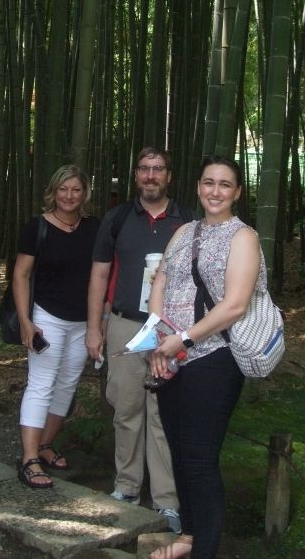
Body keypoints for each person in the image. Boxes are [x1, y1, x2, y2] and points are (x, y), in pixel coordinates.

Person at [147, 156, 264, 559]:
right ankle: (188, 538)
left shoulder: (243, 237)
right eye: (209, 183)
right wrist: (159, 342)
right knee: (179, 452)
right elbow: (160, 279)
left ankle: (204, 551)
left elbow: (234, 305)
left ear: (237, 193)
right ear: (198, 187)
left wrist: (181, 340)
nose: (215, 191)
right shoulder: (182, 232)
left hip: (215, 358)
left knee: (199, 458)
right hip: (172, 355)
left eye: (225, 185)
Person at [86, 147, 193, 533]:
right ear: (136, 176)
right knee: (127, 409)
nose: (151, 176)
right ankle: (127, 487)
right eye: (144, 169)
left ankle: (166, 501)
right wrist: (93, 327)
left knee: (163, 415)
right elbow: (99, 275)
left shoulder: (188, 221)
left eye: (158, 169)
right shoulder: (117, 218)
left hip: (169, 330)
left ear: (169, 175)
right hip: (124, 324)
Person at [13, 164, 100, 489]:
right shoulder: (37, 227)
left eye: (76, 189)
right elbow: (20, 275)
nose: (69, 196)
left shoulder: (95, 228)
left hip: (83, 321)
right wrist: (26, 322)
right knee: (42, 384)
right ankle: (29, 458)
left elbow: (102, 275)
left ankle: (45, 445)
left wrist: (99, 321)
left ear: (84, 193)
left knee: (66, 385)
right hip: (47, 317)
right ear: (53, 191)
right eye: (63, 189)